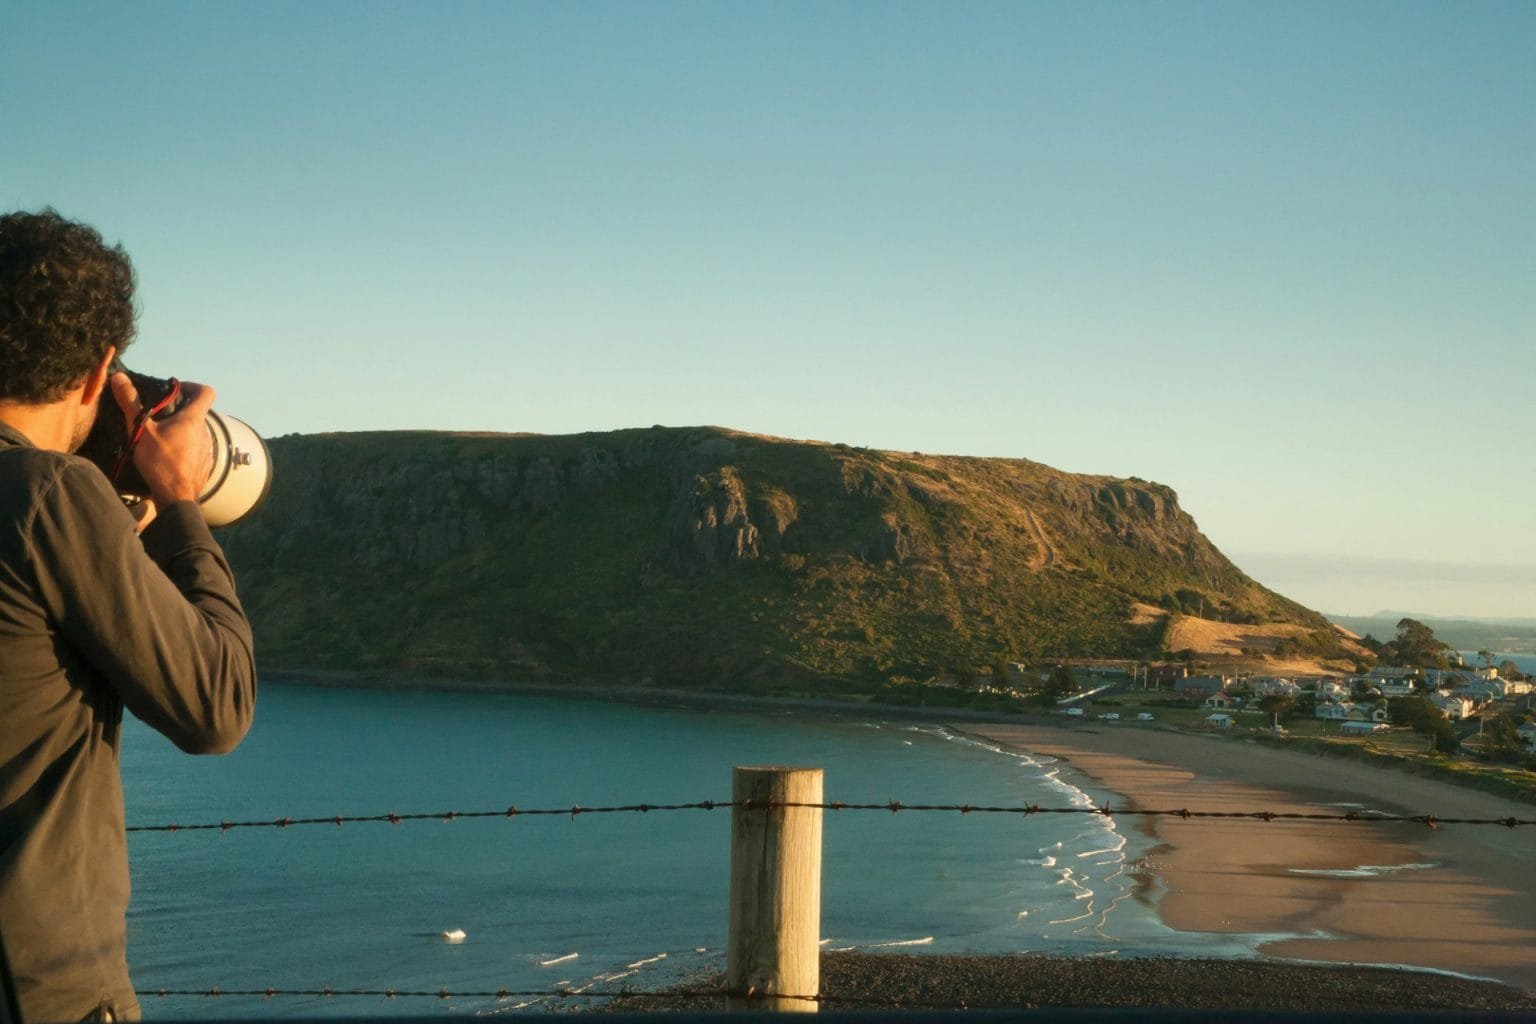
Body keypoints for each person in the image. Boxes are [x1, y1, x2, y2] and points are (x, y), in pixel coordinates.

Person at [0, 210, 257, 1022]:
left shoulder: (56, 511)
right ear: (97, 368)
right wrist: (179, 502)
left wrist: (112, 537)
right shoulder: (49, 495)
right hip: (38, 988)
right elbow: (215, 707)